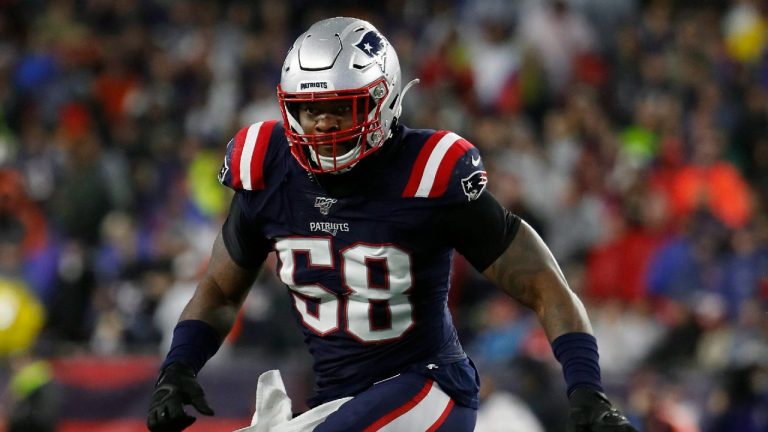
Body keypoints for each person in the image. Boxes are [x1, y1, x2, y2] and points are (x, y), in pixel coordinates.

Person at [147, 17, 637, 432]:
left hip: (430, 387)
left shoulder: (429, 170)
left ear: (382, 102)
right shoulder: (267, 167)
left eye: (340, 108)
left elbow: (542, 282)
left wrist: (587, 388)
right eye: (310, 110)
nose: (321, 125)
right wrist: (179, 366)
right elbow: (220, 288)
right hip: (338, 399)